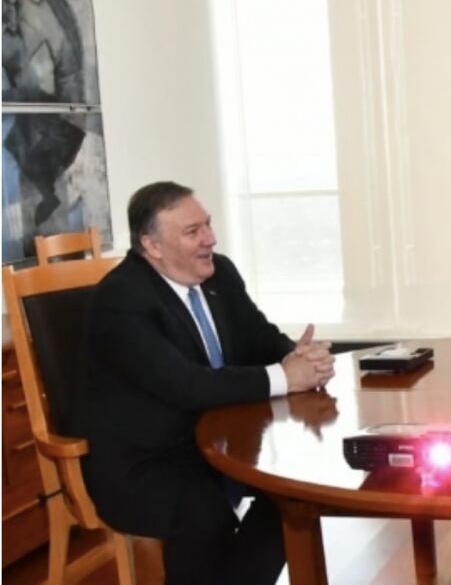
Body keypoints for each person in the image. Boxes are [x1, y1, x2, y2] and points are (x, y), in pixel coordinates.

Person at [78, 181, 336, 584]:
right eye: (192, 231)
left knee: (294, 495)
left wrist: (299, 357)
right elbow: (186, 385)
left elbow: (259, 338)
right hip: (146, 460)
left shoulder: (220, 274)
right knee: (204, 514)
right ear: (153, 245)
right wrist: (285, 377)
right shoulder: (121, 299)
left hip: (216, 440)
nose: (210, 239)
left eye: (208, 224)